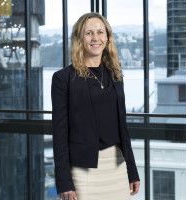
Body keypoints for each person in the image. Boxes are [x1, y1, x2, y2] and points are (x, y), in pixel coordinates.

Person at [51, 12, 140, 200]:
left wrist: (132, 170)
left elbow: (123, 127)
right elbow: (60, 133)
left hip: (117, 166)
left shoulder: (115, 75)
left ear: (107, 38)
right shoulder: (63, 79)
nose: (95, 38)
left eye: (100, 32)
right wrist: (64, 181)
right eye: (89, 33)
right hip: (83, 172)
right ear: (79, 39)